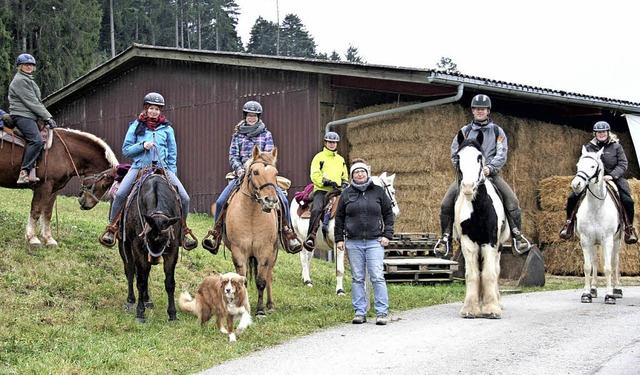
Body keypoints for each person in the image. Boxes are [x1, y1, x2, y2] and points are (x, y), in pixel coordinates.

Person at [99, 92, 197, 250]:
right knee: (120, 193)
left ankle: (183, 232)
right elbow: (126, 150)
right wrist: (141, 145)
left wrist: (172, 174)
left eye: (157, 109)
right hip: (140, 167)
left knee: (184, 197)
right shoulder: (136, 126)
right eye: (151, 108)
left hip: (163, 168)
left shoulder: (167, 129)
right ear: (145, 109)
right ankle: (112, 228)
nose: (154, 111)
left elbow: (172, 154)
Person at [437, 94, 531, 255]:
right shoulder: (464, 132)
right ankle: (445, 239)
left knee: (512, 201)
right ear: (472, 111)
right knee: (446, 203)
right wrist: (466, 170)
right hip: (467, 177)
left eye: (483, 109)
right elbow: (455, 153)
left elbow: (502, 153)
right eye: (476, 109)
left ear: (488, 111)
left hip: (490, 174)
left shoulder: (497, 131)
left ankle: (517, 236)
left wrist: (490, 168)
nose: (480, 111)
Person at [206, 100, 302, 253]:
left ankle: (288, 233)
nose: (252, 118)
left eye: (254, 115)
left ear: (258, 117)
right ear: (245, 116)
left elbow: (270, 157)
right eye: (249, 115)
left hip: (262, 176)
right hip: (242, 174)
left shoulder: (266, 135)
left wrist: (260, 169)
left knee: (282, 200)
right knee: (220, 201)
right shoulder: (237, 135)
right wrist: (239, 169)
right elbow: (233, 155)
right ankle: (216, 234)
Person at [335, 159, 395, 326]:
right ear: (352, 175)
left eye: (362, 171)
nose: (360, 174)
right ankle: (360, 312)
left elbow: (388, 214)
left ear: (367, 174)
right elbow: (339, 217)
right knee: (357, 278)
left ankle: (382, 312)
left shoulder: (377, 191)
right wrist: (339, 238)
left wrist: (387, 235)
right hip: (353, 243)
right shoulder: (346, 193)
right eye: (356, 172)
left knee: (377, 276)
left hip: (375, 241)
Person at [559, 121, 638, 244]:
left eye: (603, 132)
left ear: (608, 132)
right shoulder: (589, 147)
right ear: (595, 133)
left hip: (613, 178)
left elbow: (623, 164)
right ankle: (568, 225)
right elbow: (583, 164)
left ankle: (629, 228)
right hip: (592, 180)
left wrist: (612, 175)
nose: (601, 134)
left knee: (628, 201)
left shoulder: (616, 147)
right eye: (598, 132)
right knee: (571, 198)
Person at [8, 53, 57, 184]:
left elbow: (36, 101)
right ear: (19, 66)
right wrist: (47, 117)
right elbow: (32, 102)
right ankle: (24, 172)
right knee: (36, 141)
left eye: (31, 65)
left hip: (29, 115)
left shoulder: (27, 79)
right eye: (26, 64)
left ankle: (35, 170)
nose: (29, 67)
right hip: (22, 115)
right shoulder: (20, 81)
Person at [303, 131, 349, 251]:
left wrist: (344, 182)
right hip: (322, 190)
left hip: (338, 190)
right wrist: (325, 181)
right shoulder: (319, 157)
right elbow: (314, 174)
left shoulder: (340, 159)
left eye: (334, 142)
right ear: (326, 142)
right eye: (330, 142)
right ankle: (311, 236)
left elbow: (345, 174)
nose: (332, 144)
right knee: (317, 208)